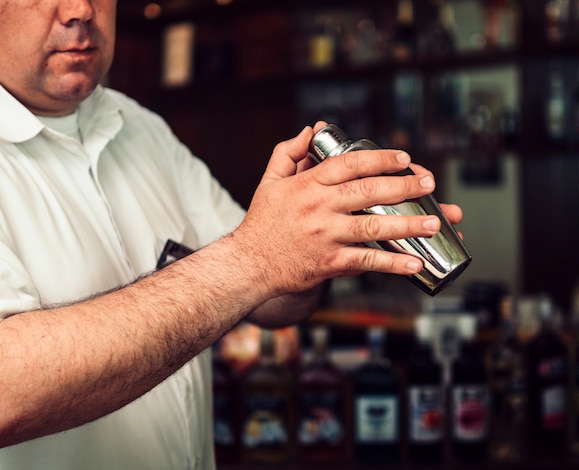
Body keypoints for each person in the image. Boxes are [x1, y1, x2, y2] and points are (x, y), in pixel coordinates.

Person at [0, 0, 464, 469]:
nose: (80, 9)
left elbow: (269, 301)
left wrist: (322, 241)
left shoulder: (140, 128)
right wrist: (257, 257)